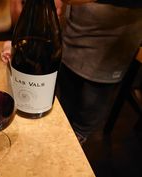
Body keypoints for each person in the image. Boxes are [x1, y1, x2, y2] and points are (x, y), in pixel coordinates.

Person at [56, 0, 142, 144]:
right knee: (62, 111)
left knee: (84, 120)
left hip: (108, 60)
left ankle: (73, 146)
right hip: (70, 45)